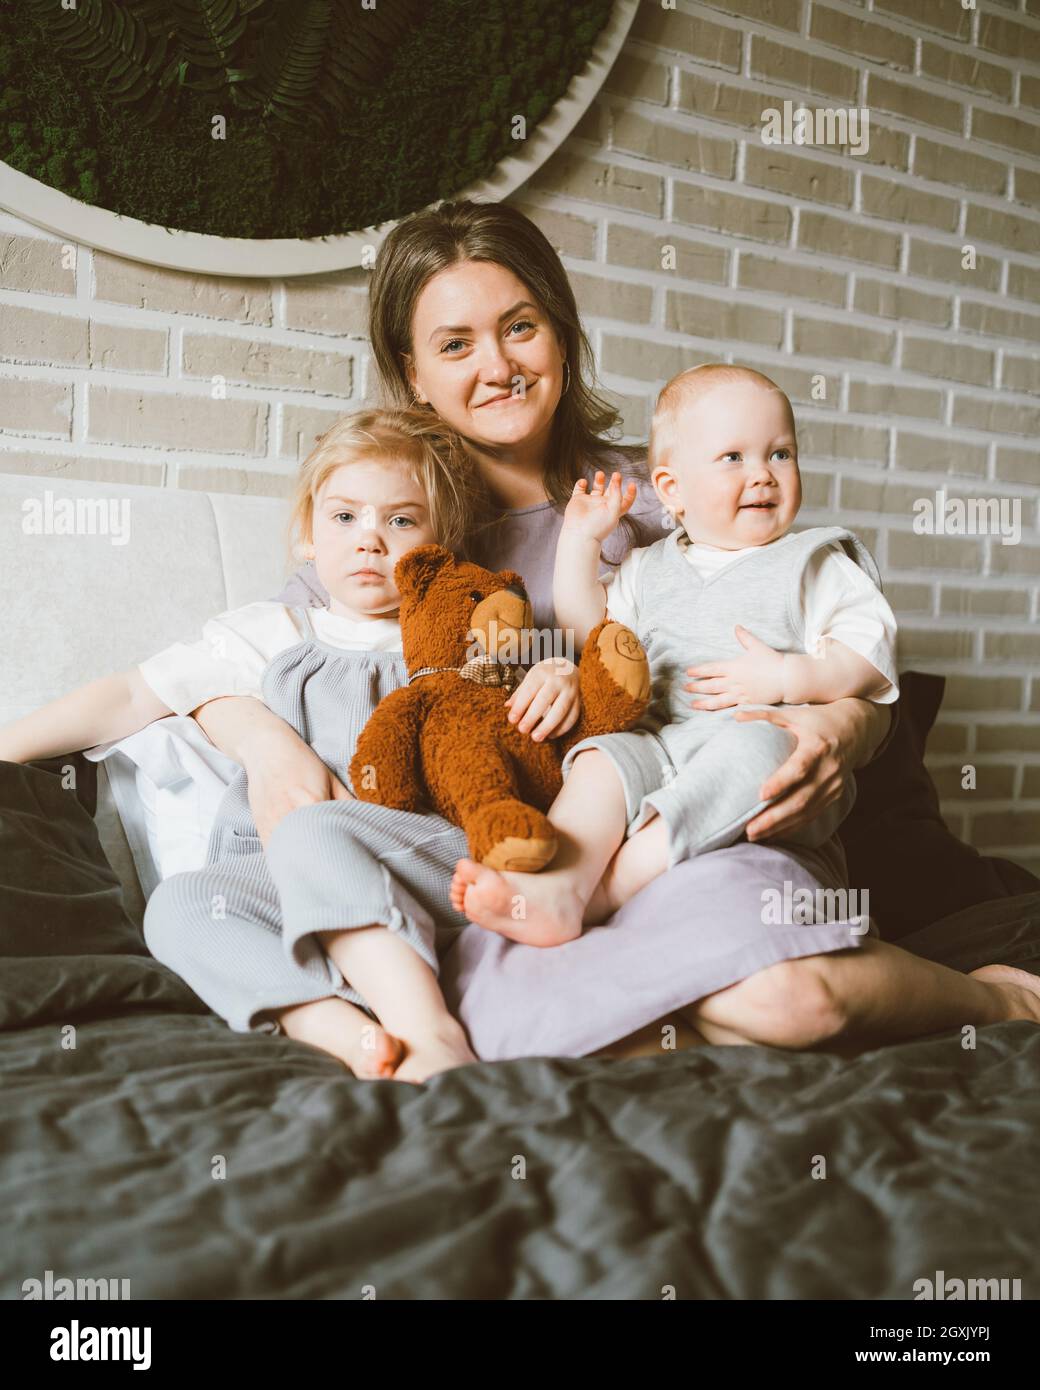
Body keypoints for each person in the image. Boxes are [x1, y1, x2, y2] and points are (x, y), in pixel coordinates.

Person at [182, 201, 1039, 1068]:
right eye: (455, 344)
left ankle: (992, 994)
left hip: (699, 822)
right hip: (513, 853)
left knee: (785, 999)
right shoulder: (393, 519)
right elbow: (230, 661)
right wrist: (260, 739)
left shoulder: (666, 486)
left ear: (561, 332)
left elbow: (830, 644)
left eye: (521, 327)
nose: (498, 365)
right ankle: (607, 1010)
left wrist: (840, 729)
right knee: (233, 906)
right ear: (413, 373)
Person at [451, 362, 899, 944]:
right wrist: (580, 543)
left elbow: (871, 656)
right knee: (599, 759)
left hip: (752, 752)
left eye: (780, 454)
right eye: (733, 458)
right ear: (672, 490)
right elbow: (593, 638)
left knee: (766, 745)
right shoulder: (647, 568)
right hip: (659, 744)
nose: (763, 475)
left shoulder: (813, 563)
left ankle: (607, 891)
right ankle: (562, 881)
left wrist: (792, 676)